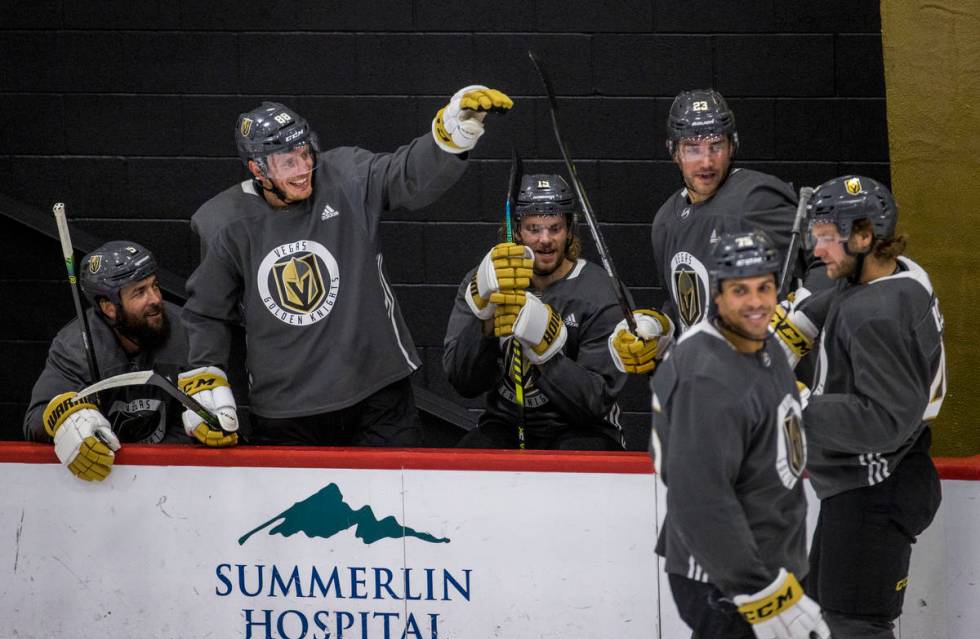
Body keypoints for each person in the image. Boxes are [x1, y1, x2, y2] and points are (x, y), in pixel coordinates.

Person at [182, 86, 512, 447]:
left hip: (378, 394)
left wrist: (449, 139)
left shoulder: (347, 176)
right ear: (257, 169)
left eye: (305, 153)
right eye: (287, 162)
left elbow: (404, 176)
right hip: (287, 410)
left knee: (396, 503)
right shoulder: (225, 221)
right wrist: (205, 375)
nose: (303, 167)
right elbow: (207, 313)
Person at [771, 175, 945, 639]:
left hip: (877, 489)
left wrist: (795, 402)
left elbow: (883, 419)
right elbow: (843, 299)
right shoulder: (898, 274)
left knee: (852, 638)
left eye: (827, 235)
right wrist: (797, 325)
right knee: (826, 623)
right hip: (866, 488)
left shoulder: (879, 313)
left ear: (864, 235)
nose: (816, 247)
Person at [650, 229, 830, 639]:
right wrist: (763, 596)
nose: (755, 302)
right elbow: (702, 502)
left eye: (765, 287)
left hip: (769, 564)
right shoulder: (706, 377)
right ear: (716, 296)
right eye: (740, 291)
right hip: (725, 580)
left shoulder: (764, 342)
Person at [610, 89, 826, 375]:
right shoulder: (665, 220)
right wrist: (659, 330)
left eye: (716, 146)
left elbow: (830, 258)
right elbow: (689, 309)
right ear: (673, 151)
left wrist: (801, 320)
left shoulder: (756, 198)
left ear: (733, 145)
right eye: (692, 148)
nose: (706, 162)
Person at [443, 174, 627, 450]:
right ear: (517, 230)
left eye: (555, 228)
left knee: (574, 459)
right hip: (507, 425)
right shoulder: (486, 282)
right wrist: (485, 323)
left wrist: (547, 353)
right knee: (469, 458)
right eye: (534, 229)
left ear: (569, 230)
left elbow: (594, 404)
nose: (545, 240)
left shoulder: (600, 292)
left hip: (585, 430)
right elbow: (462, 383)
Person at [24, 241, 190, 481]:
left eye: (155, 286)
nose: (155, 299)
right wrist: (66, 415)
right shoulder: (74, 347)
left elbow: (199, 414)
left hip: (171, 476)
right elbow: (35, 420)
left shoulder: (186, 330)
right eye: (140, 292)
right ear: (109, 307)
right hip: (102, 478)